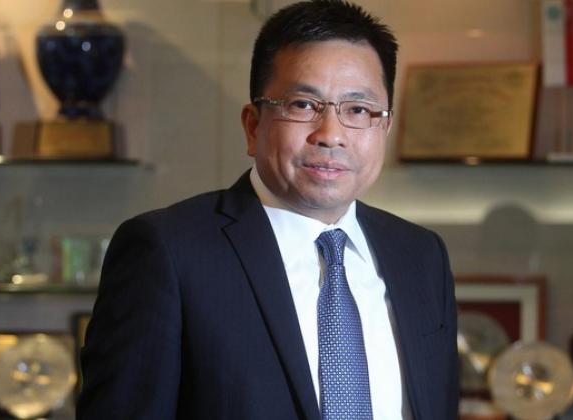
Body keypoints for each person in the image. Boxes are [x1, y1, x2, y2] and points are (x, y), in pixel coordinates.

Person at [77, 1, 458, 419]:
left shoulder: (421, 255)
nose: (331, 135)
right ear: (253, 125)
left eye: (358, 110)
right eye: (303, 105)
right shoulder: (168, 252)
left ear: (384, 126)